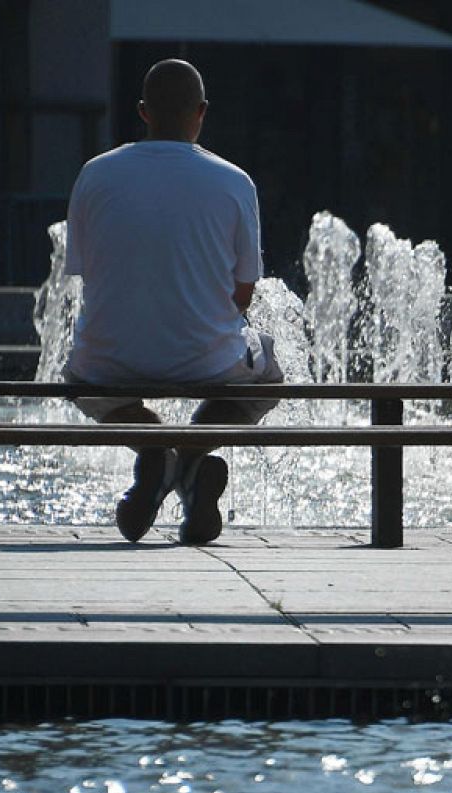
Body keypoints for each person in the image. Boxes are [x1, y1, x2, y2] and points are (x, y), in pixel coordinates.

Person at [64, 59, 283, 545]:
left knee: (78, 377)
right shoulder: (234, 182)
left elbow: (87, 275)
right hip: (208, 358)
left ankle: (158, 449)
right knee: (268, 377)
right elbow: (243, 293)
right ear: (201, 112)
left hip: (110, 358)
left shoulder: (95, 175)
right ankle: (189, 460)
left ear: (143, 111)